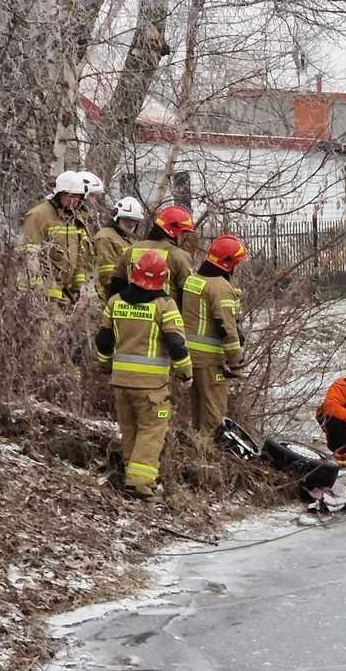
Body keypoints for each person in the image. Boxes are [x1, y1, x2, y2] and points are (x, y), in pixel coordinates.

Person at [94, 250, 193, 500]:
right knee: (151, 431)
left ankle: (132, 475)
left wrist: (104, 365)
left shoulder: (115, 302)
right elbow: (176, 343)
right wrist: (186, 373)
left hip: (121, 382)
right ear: (163, 278)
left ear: (133, 273)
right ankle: (140, 484)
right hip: (151, 386)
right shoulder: (165, 305)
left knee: (130, 430)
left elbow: (103, 340)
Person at [181, 235, 247, 436]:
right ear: (228, 263)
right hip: (210, 361)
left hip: (190, 358)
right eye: (236, 263)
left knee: (197, 417)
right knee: (213, 420)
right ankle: (208, 453)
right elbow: (227, 329)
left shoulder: (194, 280)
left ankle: (197, 451)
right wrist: (236, 363)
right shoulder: (220, 287)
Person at [20, 170, 92, 305]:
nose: (73, 201)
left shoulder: (74, 218)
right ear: (59, 194)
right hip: (41, 293)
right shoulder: (38, 215)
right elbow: (30, 255)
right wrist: (38, 289)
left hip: (65, 294)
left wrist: (77, 288)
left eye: (77, 197)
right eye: (69, 196)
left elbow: (79, 256)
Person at [108, 205, 195, 307]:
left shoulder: (131, 250)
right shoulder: (179, 256)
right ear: (174, 231)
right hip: (165, 314)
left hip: (127, 314)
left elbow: (116, 285)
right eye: (183, 233)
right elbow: (189, 296)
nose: (183, 237)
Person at [93, 196, 142, 295]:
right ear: (117, 218)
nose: (131, 224)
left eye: (135, 220)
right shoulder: (105, 237)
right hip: (110, 294)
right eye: (127, 219)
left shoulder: (132, 240)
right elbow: (106, 274)